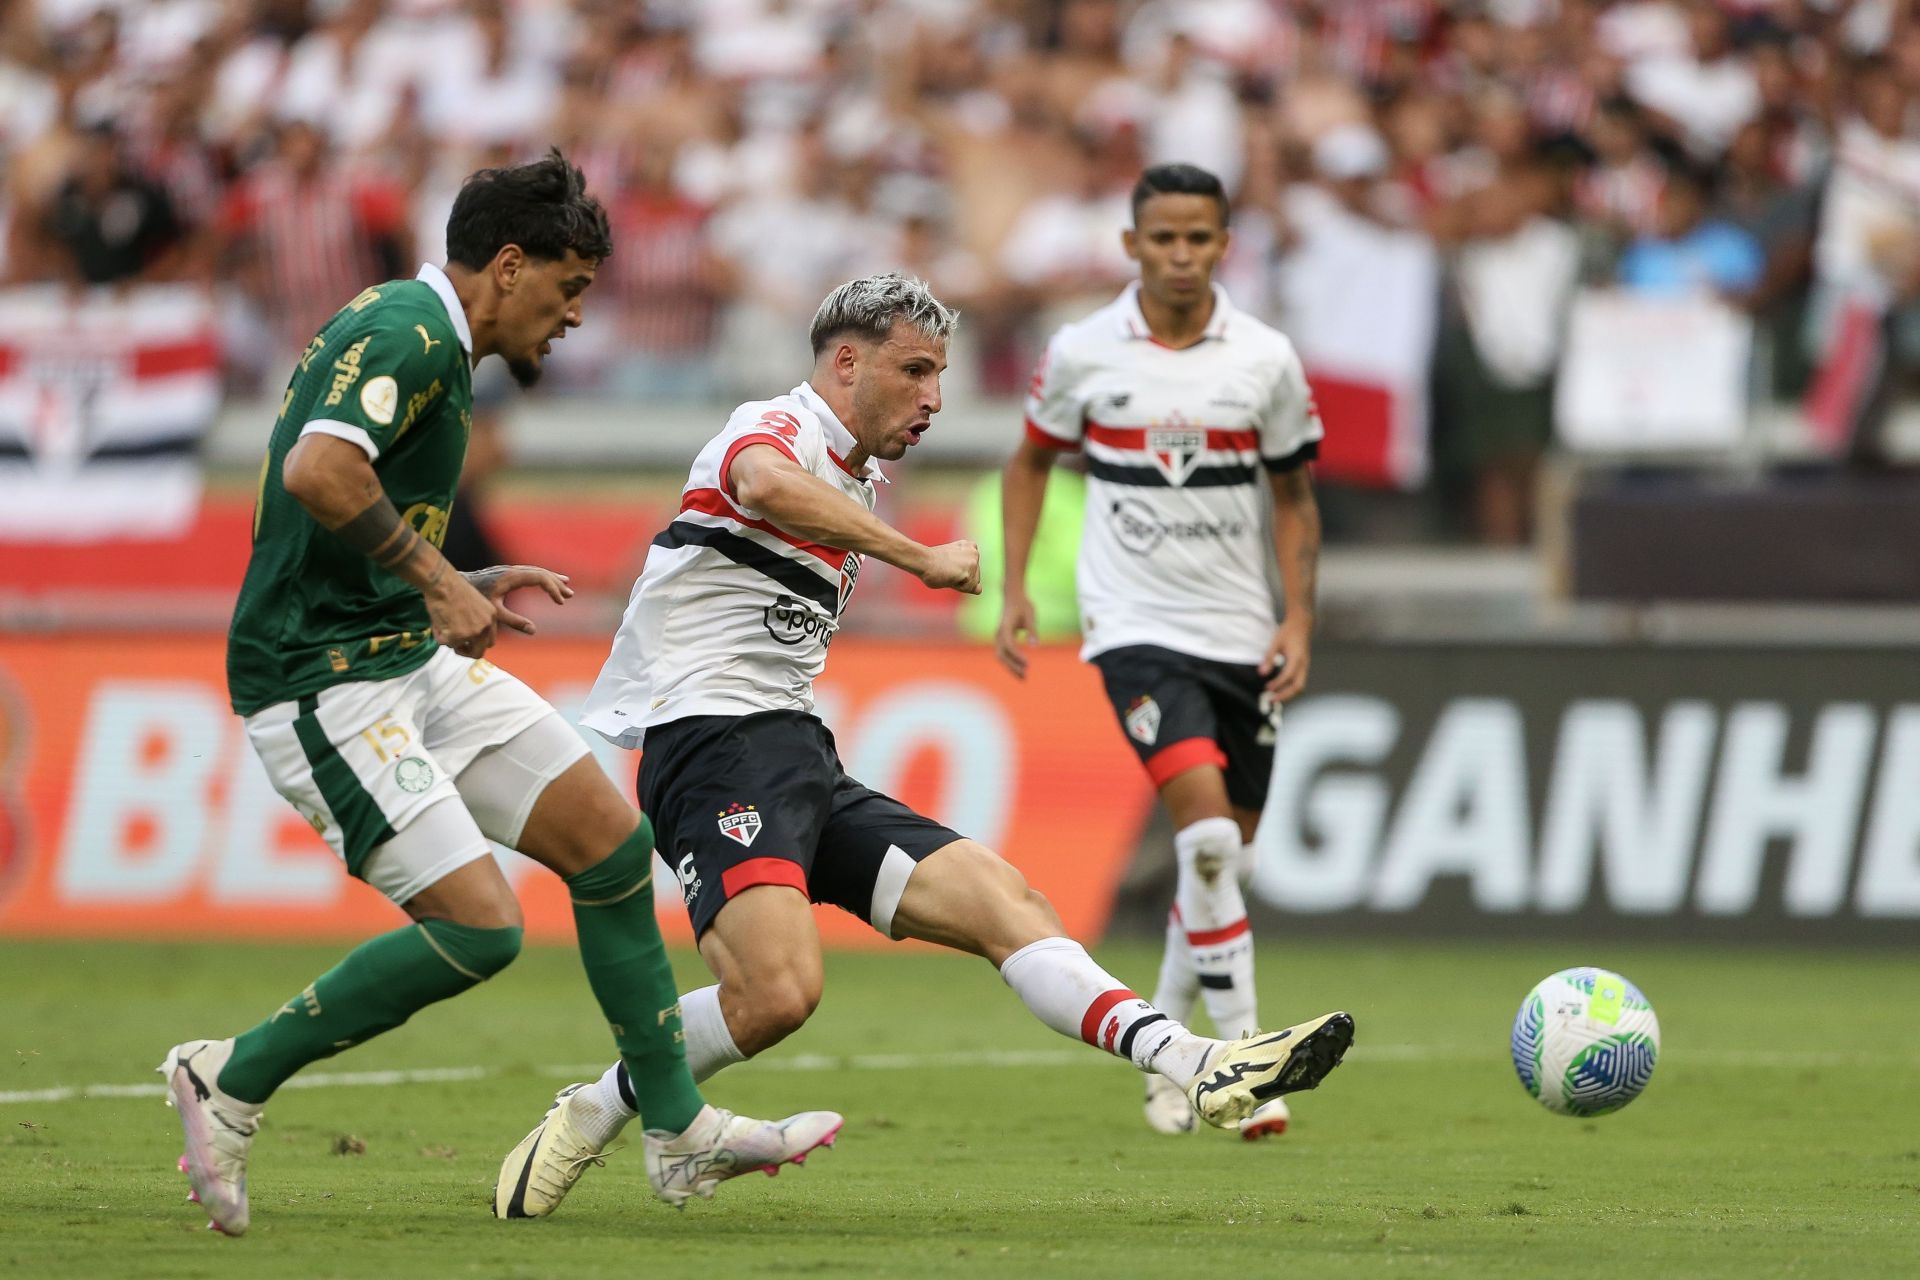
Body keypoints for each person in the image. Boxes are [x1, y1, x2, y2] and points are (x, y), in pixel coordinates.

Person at [492, 272, 1354, 1218]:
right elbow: (759, 483)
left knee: (1005, 900)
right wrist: (920, 554)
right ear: (848, 361)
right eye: (915, 371)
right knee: (776, 994)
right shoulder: (775, 426)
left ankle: (1192, 1063)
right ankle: (597, 1108)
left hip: (792, 749)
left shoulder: (858, 472)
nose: (935, 398)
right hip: (712, 744)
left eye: (940, 376)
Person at [160, 151, 839, 1238]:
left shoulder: (419, 334)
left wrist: (441, 574)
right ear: (509, 264)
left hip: (397, 650)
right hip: (320, 683)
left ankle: (673, 1123)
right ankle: (231, 1074)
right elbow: (316, 472)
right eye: (568, 290)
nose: (574, 318)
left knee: (610, 846)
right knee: (479, 929)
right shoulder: (411, 333)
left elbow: (342, 495)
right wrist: (434, 577)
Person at [994, 164, 1326, 1140]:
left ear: (1225, 245)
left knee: (1223, 864)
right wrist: (1016, 587)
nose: (1181, 255)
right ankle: (1244, 1068)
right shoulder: (1083, 351)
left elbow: (1296, 500)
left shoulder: (1265, 359)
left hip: (1240, 630)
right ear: (1131, 245)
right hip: (1134, 627)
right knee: (1210, 841)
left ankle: (1167, 1055)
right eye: (1163, 238)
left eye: (1199, 238)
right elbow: (1029, 462)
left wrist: (1298, 618)